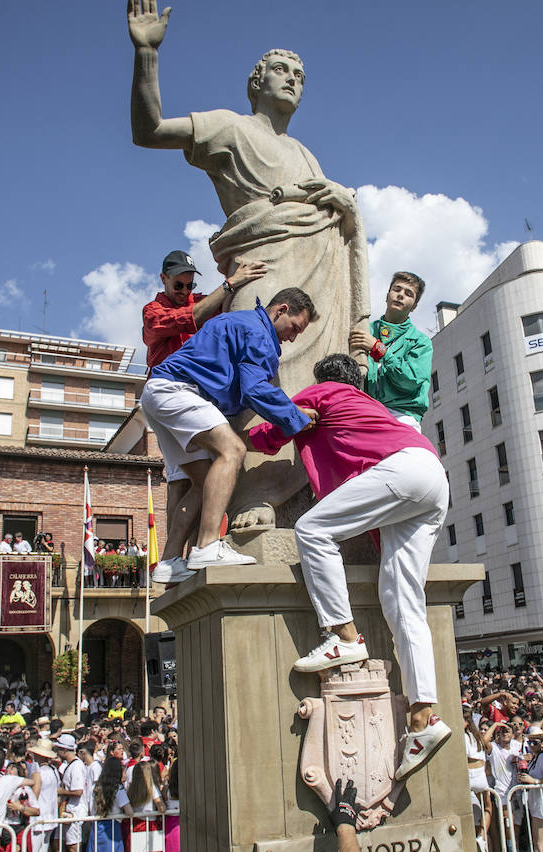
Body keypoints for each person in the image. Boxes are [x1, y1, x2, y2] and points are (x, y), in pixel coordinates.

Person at [127, 0, 370, 533]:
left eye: (301, 75)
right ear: (256, 82)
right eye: (283, 70)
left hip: (319, 279)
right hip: (262, 273)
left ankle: (299, 491)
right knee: (259, 377)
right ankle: (250, 495)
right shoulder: (229, 128)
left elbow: (336, 224)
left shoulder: (307, 155)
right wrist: (147, 54)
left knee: (314, 378)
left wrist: (344, 204)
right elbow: (148, 131)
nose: (294, 80)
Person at [250, 353, 449, 778]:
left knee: (313, 530)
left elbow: (276, 429)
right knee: (403, 602)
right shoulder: (370, 405)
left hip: (401, 472)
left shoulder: (325, 391)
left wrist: (231, 442)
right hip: (431, 474)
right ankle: (422, 718)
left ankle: (344, 635)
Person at [142, 287, 318, 583]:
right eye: (295, 328)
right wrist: (295, 417)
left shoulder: (237, 322)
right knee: (232, 451)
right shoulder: (260, 333)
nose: (293, 337)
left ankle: (170, 561)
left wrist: (288, 412)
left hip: (157, 393)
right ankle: (208, 545)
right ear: (281, 310)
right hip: (177, 391)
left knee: (202, 482)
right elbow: (254, 389)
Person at [348, 271, 432, 430]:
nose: (400, 295)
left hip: (402, 416)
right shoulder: (366, 330)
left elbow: (410, 381)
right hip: (366, 412)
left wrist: (378, 349)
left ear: (414, 306)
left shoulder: (421, 342)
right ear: (387, 296)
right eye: (397, 289)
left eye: (408, 294)